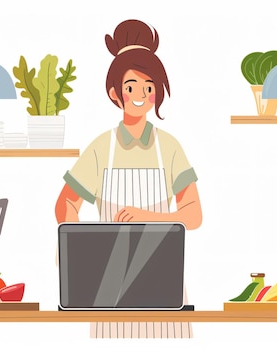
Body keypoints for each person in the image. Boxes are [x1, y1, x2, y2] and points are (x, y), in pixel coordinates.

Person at [54, 19, 202, 338]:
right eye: (131, 86)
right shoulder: (100, 149)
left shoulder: (170, 148)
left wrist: (147, 219)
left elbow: (194, 214)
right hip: (108, 295)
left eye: (148, 87)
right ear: (115, 93)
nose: (140, 95)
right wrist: (84, 254)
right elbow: (65, 203)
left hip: (166, 295)